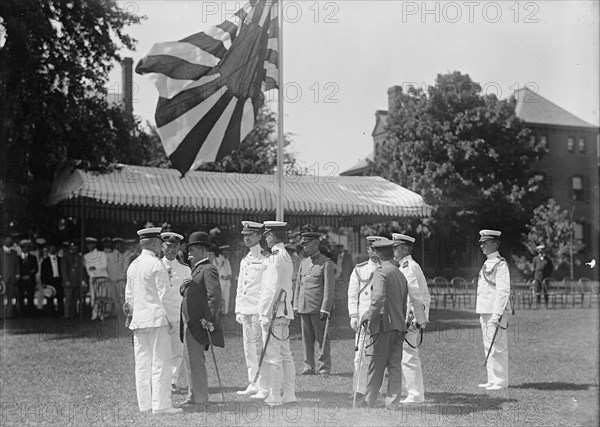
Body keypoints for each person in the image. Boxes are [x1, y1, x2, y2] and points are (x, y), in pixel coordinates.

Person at [359, 239, 427, 409]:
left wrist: (367, 315)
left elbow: (379, 298)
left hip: (383, 326)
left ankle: (369, 400)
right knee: (395, 367)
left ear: (376, 253)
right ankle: (392, 403)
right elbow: (404, 303)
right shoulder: (399, 272)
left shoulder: (381, 272)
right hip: (398, 326)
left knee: (376, 365)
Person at [124, 227, 182, 415]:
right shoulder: (156, 264)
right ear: (156, 243)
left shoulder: (134, 264)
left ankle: (145, 404)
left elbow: (129, 297)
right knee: (161, 362)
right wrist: (169, 318)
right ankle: (161, 405)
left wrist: (131, 315)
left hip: (139, 320)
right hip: (157, 319)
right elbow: (163, 294)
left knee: (142, 364)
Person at [178, 231, 224, 409]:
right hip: (188, 322)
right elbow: (192, 293)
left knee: (197, 362)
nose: (189, 253)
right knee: (190, 361)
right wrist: (183, 288)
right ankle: (192, 394)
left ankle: (202, 399)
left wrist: (208, 318)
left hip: (198, 323)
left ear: (204, 250)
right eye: (189, 249)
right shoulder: (195, 269)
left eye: (193, 249)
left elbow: (215, 296)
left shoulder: (208, 269)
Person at [254, 221, 296, 406]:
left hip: (274, 313)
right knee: (286, 355)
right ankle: (289, 394)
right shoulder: (285, 255)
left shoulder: (274, 258)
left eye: (266, 235)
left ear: (271, 235)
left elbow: (270, 290)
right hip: (284, 312)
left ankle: (275, 396)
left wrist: (264, 314)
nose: (265, 238)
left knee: (274, 357)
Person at [392, 233, 431, 404]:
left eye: (396, 247)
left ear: (405, 248)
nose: (393, 250)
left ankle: (415, 394)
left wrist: (417, 319)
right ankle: (405, 390)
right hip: (403, 318)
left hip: (410, 319)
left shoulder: (409, 267)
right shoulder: (403, 266)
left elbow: (416, 295)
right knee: (402, 356)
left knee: (409, 356)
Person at [293, 232, 335, 378]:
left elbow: (329, 288)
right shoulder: (304, 263)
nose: (305, 247)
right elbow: (298, 284)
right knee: (306, 340)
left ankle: (324, 367)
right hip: (304, 307)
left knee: (322, 340)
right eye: (304, 244)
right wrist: (296, 305)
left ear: (316, 244)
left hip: (318, 308)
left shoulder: (326, 263)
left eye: (308, 244)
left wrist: (325, 307)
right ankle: (309, 366)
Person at [347, 235, 384, 400]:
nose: (373, 251)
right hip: (363, 319)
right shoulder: (359, 269)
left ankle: (379, 390)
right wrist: (353, 316)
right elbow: (353, 295)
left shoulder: (387, 268)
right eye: (370, 248)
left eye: (376, 248)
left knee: (380, 356)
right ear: (367, 249)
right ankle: (359, 389)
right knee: (359, 356)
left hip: (381, 318)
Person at [235, 221, 268, 396]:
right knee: (248, 348)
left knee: (259, 348)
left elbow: (266, 287)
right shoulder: (245, 259)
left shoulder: (265, 258)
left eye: (250, 235)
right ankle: (252, 382)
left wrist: (263, 311)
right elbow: (241, 286)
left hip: (257, 309)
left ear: (259, 236)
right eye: (244, 235)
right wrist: (238, 309)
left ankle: (263, 385)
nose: (246, 238)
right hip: (246, 309)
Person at [476, 229, 511, 391]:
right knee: (488, 345)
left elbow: (503, 291)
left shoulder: (500, 264)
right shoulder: (487, 263)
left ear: (495, 244)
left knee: (498, 346)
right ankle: (492, 379)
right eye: (481, 243)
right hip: (484, 310)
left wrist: (497, 315)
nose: (482, 245)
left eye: (485, 242)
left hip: (494, 311)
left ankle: (501, 380)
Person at [160, 231, 192, 393]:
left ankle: (173, 381)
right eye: (168, 246)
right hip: (159, 315)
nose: (171, 250)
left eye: (174, 246)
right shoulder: (156, 265)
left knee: (177, 351)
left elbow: (188, 293)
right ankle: (159, 381)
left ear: (179, 247)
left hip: (178, 315)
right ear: (162, 246)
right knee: (159, 350)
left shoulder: (185, 269)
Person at [84, 237, 108, 320]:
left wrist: (95, 268)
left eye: (91, 244)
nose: (89, 246)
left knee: (102, 296)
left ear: (94, 244)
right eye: (88, 245)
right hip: (93, 278)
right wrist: (93, 275)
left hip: (103, 278)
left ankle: (102, 313)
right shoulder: (86, 256)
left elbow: (104, 265)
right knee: (94, 296)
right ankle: (94, 313)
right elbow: (88, 269)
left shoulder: (102, 254)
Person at [60, 242, 84, 319]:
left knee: (74, 299)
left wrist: (82, 280)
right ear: (69, 247)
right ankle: (67, 315)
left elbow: (81, 269)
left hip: (76, 281)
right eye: (72, 247)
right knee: (68, 299)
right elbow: (64, 270)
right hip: (68, 281)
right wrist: (66, 280)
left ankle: (72, 315)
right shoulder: (65, 257)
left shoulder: (79, 257)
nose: (73, 248)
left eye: (75, 247)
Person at [40, 245, 64, 317]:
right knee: (50, 297)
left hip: (59, 280)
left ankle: (60, 312)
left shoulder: (60, 260)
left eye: (54, 248)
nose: (53, 250)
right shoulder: (45, 261)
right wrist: (43, 282)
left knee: (60, 297)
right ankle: (50, 313)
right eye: (51, 248)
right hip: (49, 281)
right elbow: (43, 273)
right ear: (49, 250)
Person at [19, 240, 39, 316]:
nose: (26, 248)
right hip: (21, 280)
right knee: (21, 297)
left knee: (30, 297)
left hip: (30, 280)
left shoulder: (33, 257)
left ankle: (30, 313)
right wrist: (22, 276)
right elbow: (17, 268)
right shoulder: (18, 258)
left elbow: (36, 268)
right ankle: (21, 313)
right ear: (22, 248)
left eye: (27, 247)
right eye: (24, 247)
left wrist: (29, 275)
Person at [211, 246, 233, 314]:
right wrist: (221, 276)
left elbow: (230, 271)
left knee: (226, 298)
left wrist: (228, 276)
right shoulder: (214, 260)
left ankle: (225, 312)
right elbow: (214, 271)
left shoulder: (226, 260)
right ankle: (217, 313)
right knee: (219, 298)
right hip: (220, 281)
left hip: (227, 282)